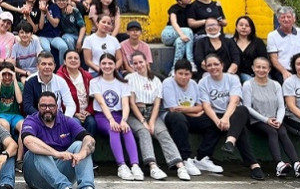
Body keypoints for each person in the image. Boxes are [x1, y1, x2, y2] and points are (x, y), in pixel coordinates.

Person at [21, 92, 99, 189]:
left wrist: (81, 154)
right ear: (38, 106)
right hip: (36, 176)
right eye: (43, 106)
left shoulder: (66, 120)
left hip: (61, 170)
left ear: (57, 107)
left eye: (51, 106)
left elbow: (89, 139)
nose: (47, 109)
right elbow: (28, 141)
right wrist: (56, 153)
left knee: (80, 145)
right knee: (35, 150)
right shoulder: (31, 120)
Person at [125, 52, 191, 181]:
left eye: (141, 62)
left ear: (146, 62)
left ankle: (180, 165)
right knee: (144, 131)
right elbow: (132, 103)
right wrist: (144, 121)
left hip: (152, 114)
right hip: (135, 114)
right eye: (135, 63)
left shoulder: (156, 80)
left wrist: (152, 122)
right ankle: (153, 166)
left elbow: (157, 104)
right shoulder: (130, 78)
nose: (139, 65)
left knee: (162, 133)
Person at [199, 54, 265, 180]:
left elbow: (234, 101)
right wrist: (218, 121)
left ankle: (230, 141)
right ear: (206, 68)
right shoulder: (203, 82)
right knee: (241, 130)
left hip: (232, 113)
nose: (213, 67)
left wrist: (226, 118)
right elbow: (206, 105)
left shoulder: (232, 79)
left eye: (216, 64)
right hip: (215, 115)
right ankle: (254, 165)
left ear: (222, 65)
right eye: (209, 65)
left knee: (242, 110)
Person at [242, 57, 300, 178]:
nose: (261, 70)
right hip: (256, 121)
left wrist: (279, 120)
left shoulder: (276, 85)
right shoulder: (248, 85)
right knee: (272, 132)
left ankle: (296, 164)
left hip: (274, 119)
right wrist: (266, 120)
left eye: (264, 67)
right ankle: (279, 164)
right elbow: (247, 107)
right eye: (258, 67)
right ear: (253, 68)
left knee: (283, 131)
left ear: (269, 69)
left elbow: (281, 107)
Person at [91, 53, 142, 181]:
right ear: (100, 65)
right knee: (114, 129)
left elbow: (125, 104)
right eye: (104, 63)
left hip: (119, 115)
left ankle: (135, 165)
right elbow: (102, 103)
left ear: (115, 65)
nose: (107, 66)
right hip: (102, 117)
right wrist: (111, 120)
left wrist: (124, 121)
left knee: (126, 129)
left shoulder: (123, 83)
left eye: (110, 63)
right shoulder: (95, 82)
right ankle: (122, 166)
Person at [22, 52, 76, 117]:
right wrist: (42, 118)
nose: (47, 67)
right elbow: (27, 106)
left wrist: (65, 119)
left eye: (50, 64)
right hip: (36, 119)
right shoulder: (30, 81)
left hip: (58, 118)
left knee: (75, 123)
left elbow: (70, 104)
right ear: (37, 66)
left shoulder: (61, 81)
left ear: (54, 66)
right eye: (44, 64)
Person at [56, 50, 96, 136]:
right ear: (64, 61)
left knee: (91, 122)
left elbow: (94, 97)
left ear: (80, 61)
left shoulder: (87, 76)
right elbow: (60, 100)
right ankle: (76, 147)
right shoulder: (59, 78)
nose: (73, 60)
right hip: (69, 113)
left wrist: (88, 111)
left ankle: (89, 146)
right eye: (70, 58)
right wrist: (74, 113)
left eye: (76, 58)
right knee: (75, 122)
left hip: (85, 112)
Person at [161, 0, 195, 70]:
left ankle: (175, 69)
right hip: (169, 34)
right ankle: (190, 61)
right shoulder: (174, 8)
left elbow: (200, 1)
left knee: (180, 42)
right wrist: (182, 35)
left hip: (180, 36)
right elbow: (174, 23)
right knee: (188, 31)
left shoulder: (190, 7)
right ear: (179, 1)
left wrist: (216, 4)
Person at [233, 15, 266, 82]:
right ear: (236, 27)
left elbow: (264, 59)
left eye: (247, 26)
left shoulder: (258, 42)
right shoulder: (230, 42)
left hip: (257, 73)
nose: (243, 27)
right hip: (237, 75)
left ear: (251, 28)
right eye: (241, 25)